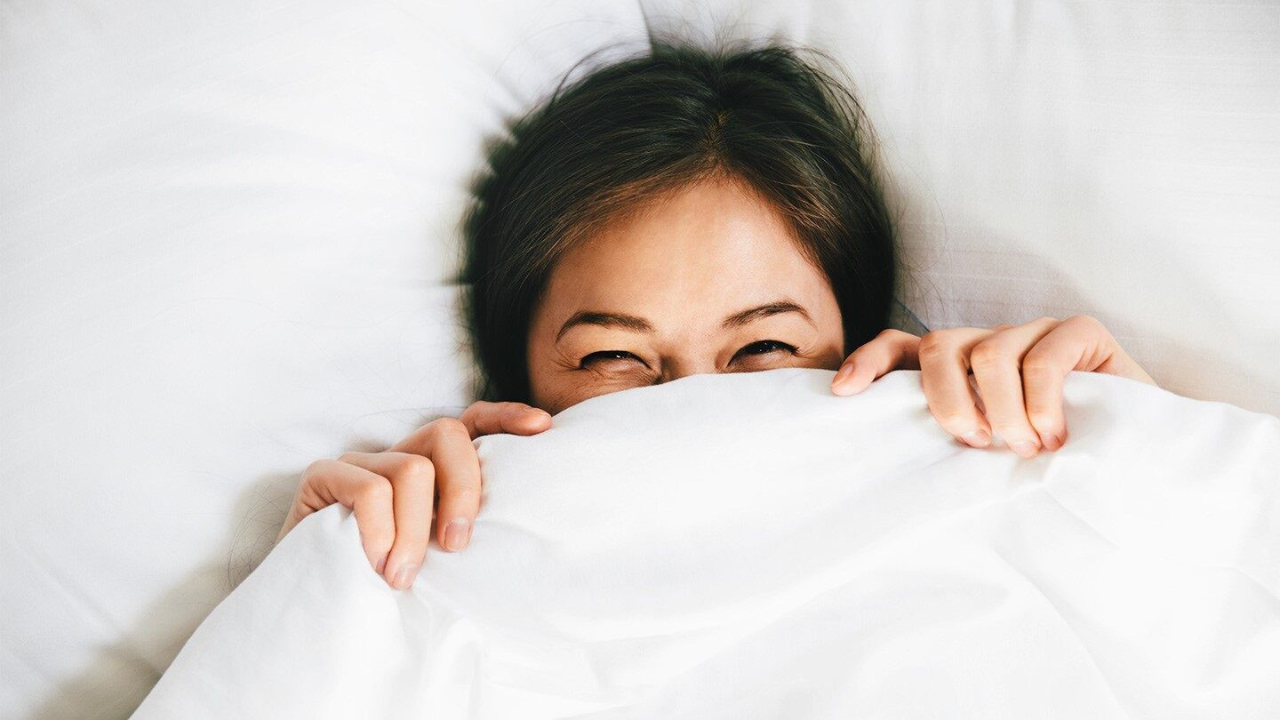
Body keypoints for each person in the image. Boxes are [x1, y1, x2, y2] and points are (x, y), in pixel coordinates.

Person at [275, 36, 1156, 591]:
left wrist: (1143, 453)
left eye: (765, 346)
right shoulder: (425, 550)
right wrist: (316, 590)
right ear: (515, 381)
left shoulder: (1009, 498)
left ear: (866, 345)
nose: (696, 407)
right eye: (614, 359)